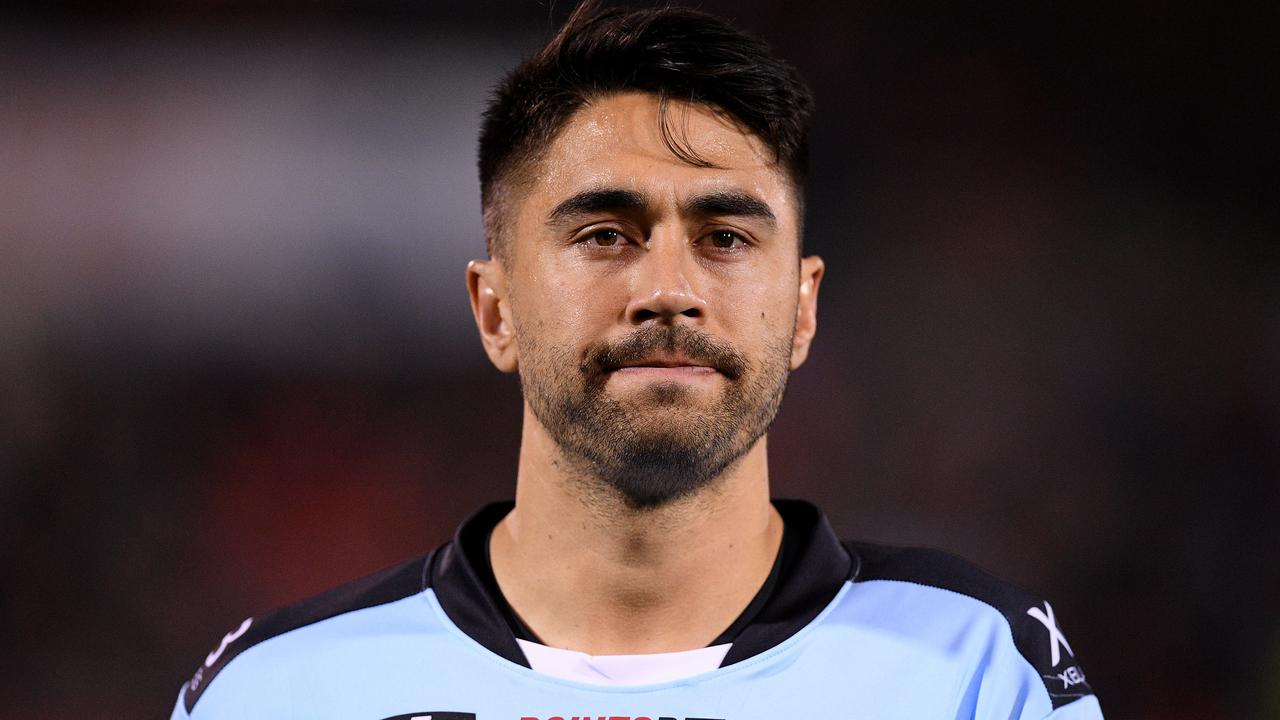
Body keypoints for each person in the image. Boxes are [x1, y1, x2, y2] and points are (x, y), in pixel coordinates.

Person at [172, 2, 1102, 718]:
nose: (668, 287)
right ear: (494, 309)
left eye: (727, 236)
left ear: (805, 308)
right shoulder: (279, 694)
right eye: (607, 233)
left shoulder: (976, 671)